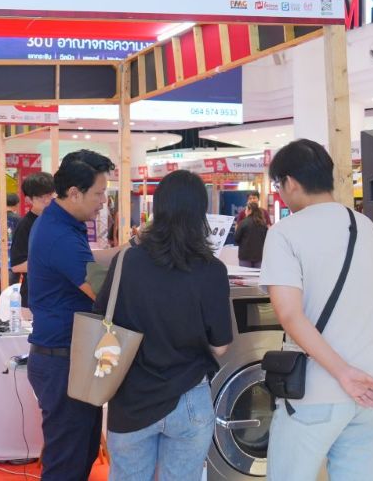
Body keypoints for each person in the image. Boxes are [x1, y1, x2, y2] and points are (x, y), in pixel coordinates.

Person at [260, 139, 373, 480]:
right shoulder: (364, 226)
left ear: (290, 182)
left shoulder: (285, 233)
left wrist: (343, 373)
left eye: (278, 185)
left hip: (318, 389)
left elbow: (289, 315)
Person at [94, 170, 233, 481]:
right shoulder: (212, 270)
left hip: (131, 398)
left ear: (158, 209)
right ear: (200, 212)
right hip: (189, 398)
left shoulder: (127, 261)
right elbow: (221, 345)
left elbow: (103, 318)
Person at [27, 150, 117, 480]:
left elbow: (88, 260)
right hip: (62, 361)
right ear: (75, 192)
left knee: (81, 453)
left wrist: (130, 250)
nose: (103, 202)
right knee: (67, 463)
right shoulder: (60, 235)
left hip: (69, 357)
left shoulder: (62, 223)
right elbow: (101, 291)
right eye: (99, 194)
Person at [10, 172, 56, 308]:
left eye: (50, 195)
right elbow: (16, 266)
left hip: (58, 295)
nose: (47, 200)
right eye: (41, 197)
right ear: (29, 199)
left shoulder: (59, 221)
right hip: (34, 296)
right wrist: (53, 263)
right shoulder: (25, 225)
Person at [234, 202, 269, 268]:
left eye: (246, 209)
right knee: (258, 274)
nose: (245, 211)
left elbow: (236, 238)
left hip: (245, 256)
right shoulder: (263, 224)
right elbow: (267, 239)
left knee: (245, 274)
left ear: (250, 210)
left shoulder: (243, 223)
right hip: (259, 256)